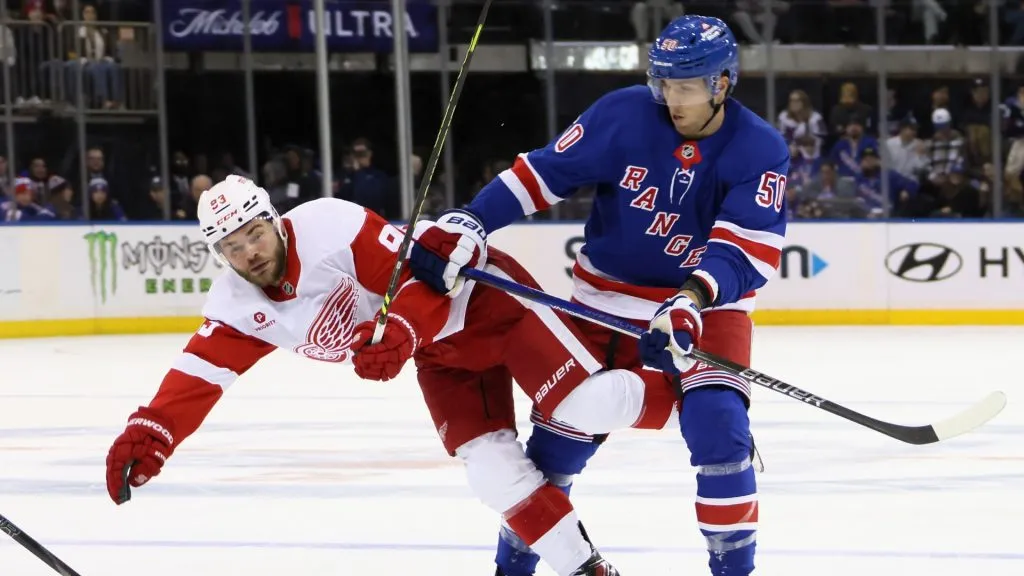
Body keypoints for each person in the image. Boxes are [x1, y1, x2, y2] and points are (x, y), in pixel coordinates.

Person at [103, 175, 680, 576]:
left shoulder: (330, 224)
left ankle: (697, 403)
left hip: (487, 306)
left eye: (254, 233)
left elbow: (425, 276)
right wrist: (152, 432)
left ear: (273, 221)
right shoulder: (236, 304)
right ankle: (586, 568)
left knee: (585, 403)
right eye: (232, 247)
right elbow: (198, 374)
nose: (249, 252)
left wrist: (400, 330)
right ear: (220, 256)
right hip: (442, 357)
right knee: (492, 472)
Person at [409, 15, 788, 576]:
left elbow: (743, 249)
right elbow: (543, 174)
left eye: (684, 87)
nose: (670, 99)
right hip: (602, 305)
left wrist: (689, 300)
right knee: (554, 451)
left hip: (705, 309)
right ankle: (511, 570)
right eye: (662, 84)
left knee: (720, 431)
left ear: (722, 84)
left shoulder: (760, 149)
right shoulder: (626, 113)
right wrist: (472, 219)